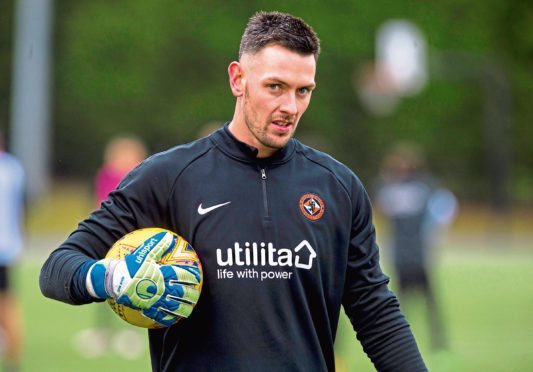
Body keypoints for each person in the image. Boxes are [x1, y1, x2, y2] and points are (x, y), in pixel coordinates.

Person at [40, 11, 427, 371]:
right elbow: (57, 268)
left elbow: (376, 314)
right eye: (275, 87)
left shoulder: (338, 187)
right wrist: (109, 278)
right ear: (237, 79)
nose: (290, 106)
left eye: (303, 91)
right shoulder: (167, 177)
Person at [375, 143, 458, 351]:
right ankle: (400, 342)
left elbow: (445, 206)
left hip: (419, 254)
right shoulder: (393, 187)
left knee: (429, 303)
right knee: (400, 304)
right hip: (401, 255)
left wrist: (435, 233)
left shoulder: (423, 186)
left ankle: (437, 342)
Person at [72, 136, 148, 359]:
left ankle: (131, 331)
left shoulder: (142, 173)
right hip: (111, 239)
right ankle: (102, 333)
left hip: (135, 239)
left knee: (136, 285)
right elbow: (102, 202)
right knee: (105, 285)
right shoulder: (106, 174)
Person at [0, 131, 25, 372]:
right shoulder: (14, 168)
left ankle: (13, 359)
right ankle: (13, 361)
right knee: (7, 303)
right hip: (8, 246)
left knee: (6, 305)